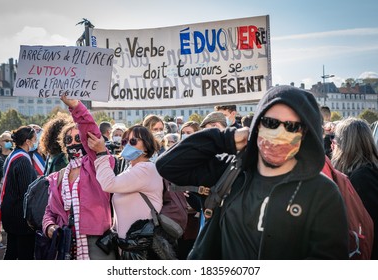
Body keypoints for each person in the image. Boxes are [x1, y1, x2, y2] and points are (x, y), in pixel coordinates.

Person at [156, 85, 349, 259]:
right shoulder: (232, 173)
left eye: (291, 126)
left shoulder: (322, 193)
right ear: (257, 125)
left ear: (304, 133)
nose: (279, 133)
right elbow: (167, 165)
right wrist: (226, 138)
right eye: (270, 123)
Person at [42, 96, 115, 260]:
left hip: (96, 241)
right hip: (66, 242)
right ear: (64, 145)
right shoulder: (57, 177)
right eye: (69, 139)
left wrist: (76, 106)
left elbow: (90, 130)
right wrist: (50, 227)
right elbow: (50, 211)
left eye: (78, 138)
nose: (73, 142)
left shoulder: (95, 166)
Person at [87, 124, 165, 259]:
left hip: (141, 247)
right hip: (128, 246)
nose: (127, 144)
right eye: (124, 141)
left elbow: (108, 184)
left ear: (146, 145)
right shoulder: (132, 169)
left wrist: (101, 153)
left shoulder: (145, 169)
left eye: (133, 141)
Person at [331, 117, 378, 259]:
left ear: (344, 145)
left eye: (335, 140)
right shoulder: (368, 171)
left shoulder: (362, 178)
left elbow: (366, 227)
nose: (332, 144)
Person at [0, 125, 38, 259]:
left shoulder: (14, 154)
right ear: (28, 142)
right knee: (24, 254)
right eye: (34, 139)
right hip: (20, 217)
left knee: (12, 252)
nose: (36, 142)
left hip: (11, 210)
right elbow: (26, 193)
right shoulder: (22, 160)